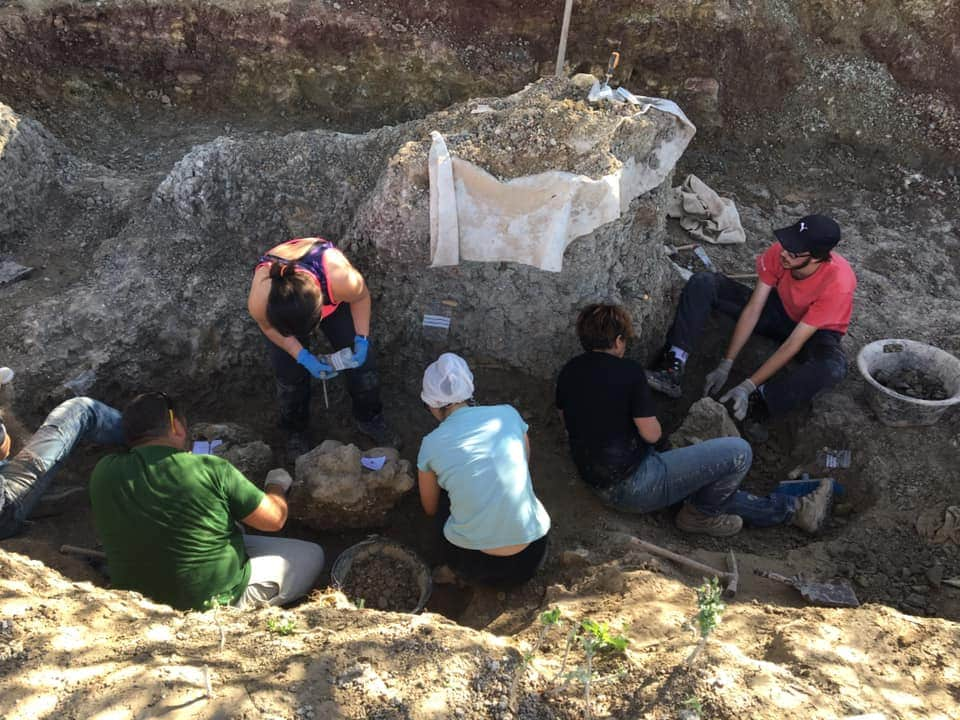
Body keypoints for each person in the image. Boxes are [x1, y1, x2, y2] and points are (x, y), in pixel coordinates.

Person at [555, 304, 833, 537]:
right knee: (739, 452)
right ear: (617, 341)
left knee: (700, 486)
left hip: (594, 478)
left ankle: (792, 510)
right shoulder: (628, 372)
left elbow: (567, 423)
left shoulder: (569, 371)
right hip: (634, 484)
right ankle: (701, 517)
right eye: (624, 340)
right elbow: (651, 434)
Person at [89, 392, 324, 611]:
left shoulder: (103, 471)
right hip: (206, 600)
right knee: (312, 554)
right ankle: (233, 607)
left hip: (136, 596)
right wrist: (276, 485)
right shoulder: (211, 469)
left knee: (233, 528)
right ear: (176, 426)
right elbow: (274, 520)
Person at [646, 214, 856, 439]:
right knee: (704, 283)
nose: (784, 253)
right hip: (781, 309)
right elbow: (754, 308)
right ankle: (673, 365)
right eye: (787, 244)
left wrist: (748, 386)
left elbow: (794, 343)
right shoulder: (781, 252)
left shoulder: (839, 283)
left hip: (819, 331)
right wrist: (727, 363)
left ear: (816, 258)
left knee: (832, 367)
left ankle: (763, 402)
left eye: (793, 252)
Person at [247, 237, 395, 456]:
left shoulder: (341, 280)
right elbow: (270, 329)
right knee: (289, 377)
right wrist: (301, 355)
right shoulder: (261, 300)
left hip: (321, 285)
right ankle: (295, 431)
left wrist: (362, 339)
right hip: (287, 307)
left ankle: (370, 418)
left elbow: (361, 297)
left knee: (364, 366)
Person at [417, 354, 551, 587]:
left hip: (473, 565)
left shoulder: (431, 443)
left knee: (443, 504)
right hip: (532, 557)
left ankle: (454, 572)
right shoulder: (508, 414)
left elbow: (429, 508)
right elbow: (524, 461)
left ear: (432, 404)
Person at [0, 397, 123, 540]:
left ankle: (38, 494)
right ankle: (147, 433)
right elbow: (3, 449)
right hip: (5, 513)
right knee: (81, 409)